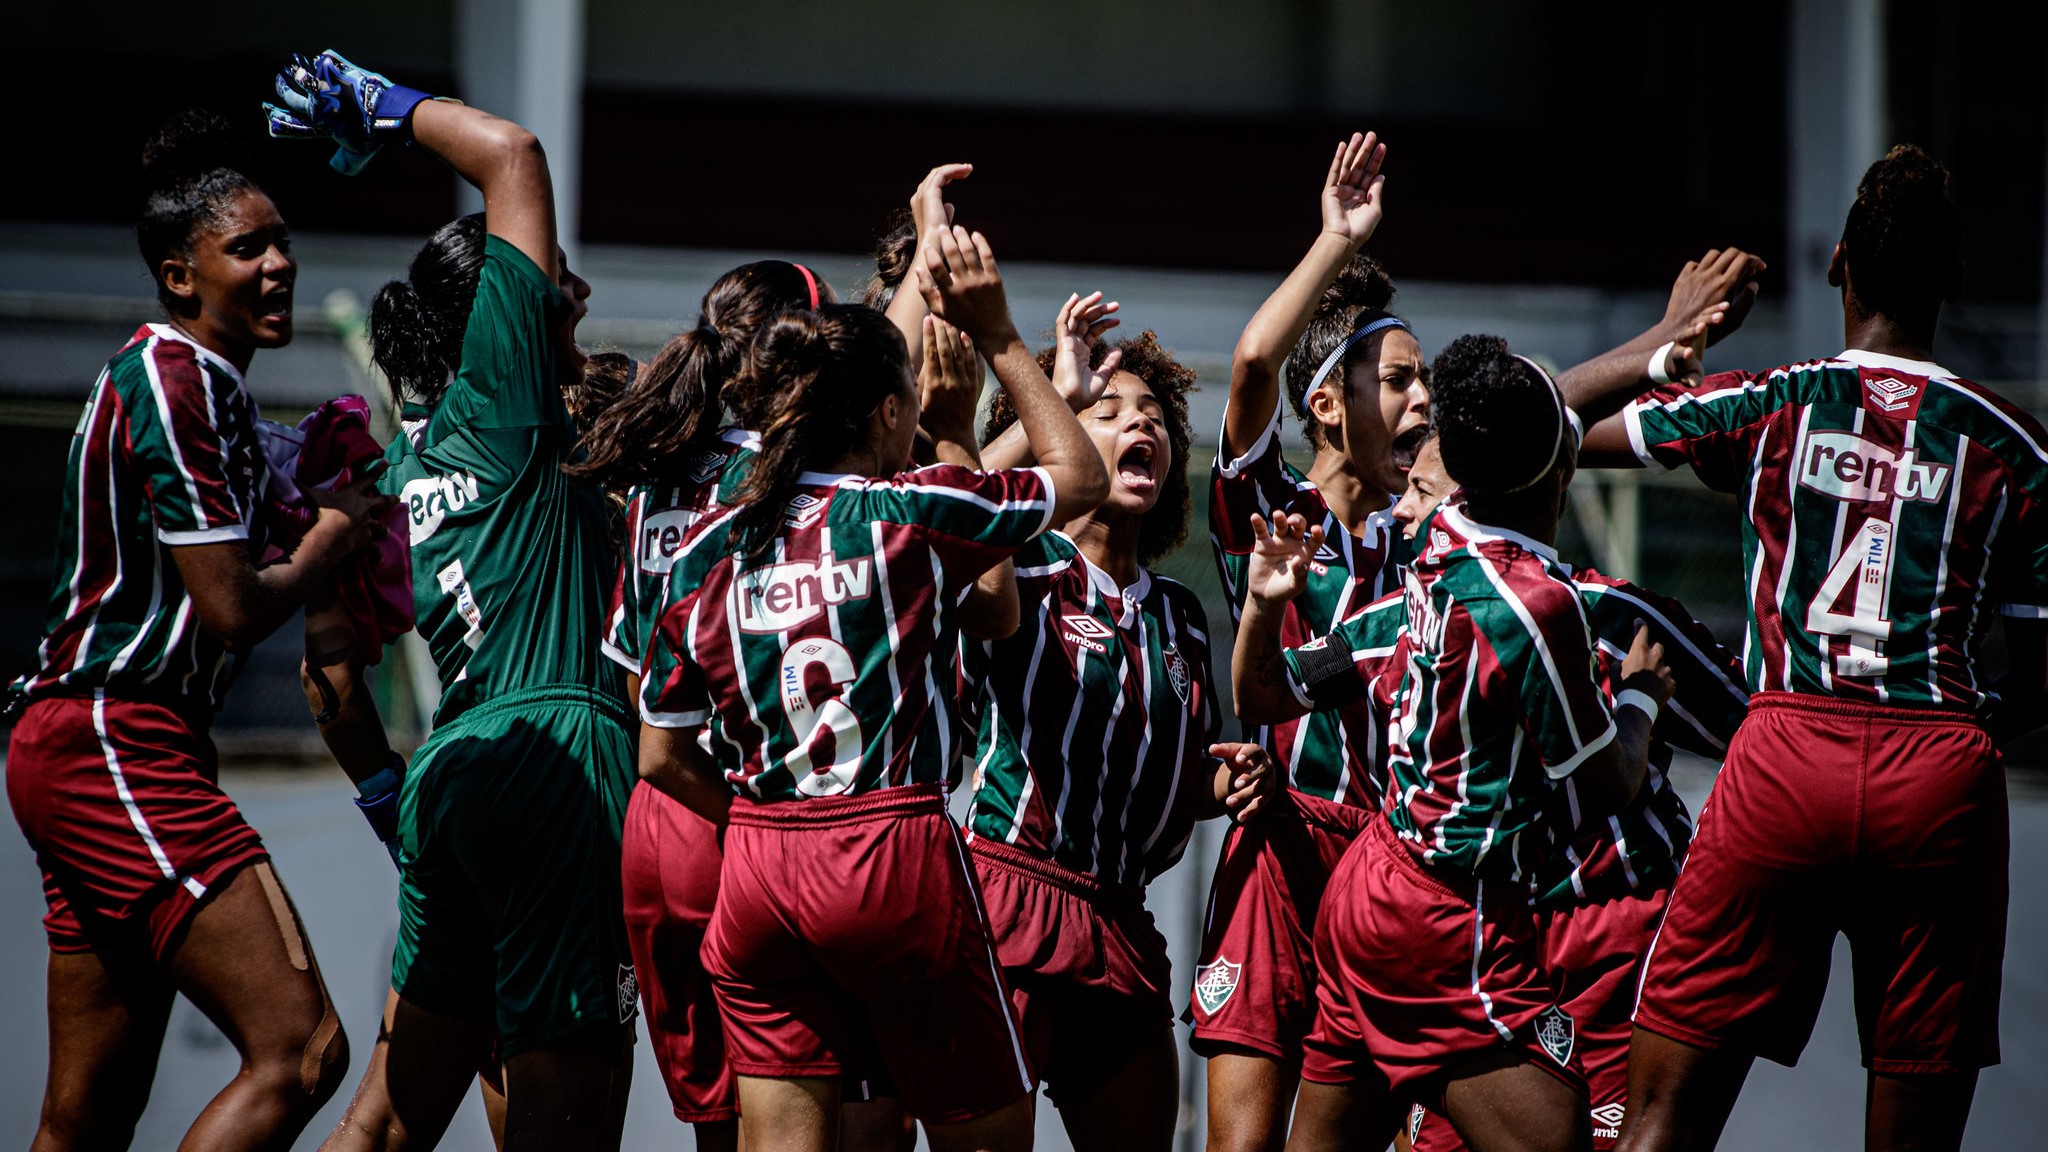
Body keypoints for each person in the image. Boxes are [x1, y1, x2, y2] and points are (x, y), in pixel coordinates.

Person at [1577, 147, 2048, 1152]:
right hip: (1938, 769)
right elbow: (2041, 676)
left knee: (1656, 1121)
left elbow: (1539, 428)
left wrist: (1668, 337)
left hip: (1786, 753)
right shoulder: (2015, 449)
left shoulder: (1768, 400)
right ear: (1950, 282)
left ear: (1838, 263)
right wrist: (1966, 744)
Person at [636, 222, 1110, 1152]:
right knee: (987, 1138)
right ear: (891, 415)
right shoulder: (909, 508)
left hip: (760, 862)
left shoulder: (704, 547)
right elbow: (1078, 473)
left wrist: (769, 832)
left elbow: (659, 751)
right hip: (893, 847)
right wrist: (1003, 336)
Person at [266, 50, 638, 1150]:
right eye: (551, 273)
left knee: (383, 1125)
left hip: (450, 778)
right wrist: (384, 106)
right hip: (558, 762)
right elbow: (514, 153)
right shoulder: (505, 394)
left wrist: (390, 800)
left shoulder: (396, 470)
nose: (571, 289)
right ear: (501, 316)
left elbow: (329, 675)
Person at [3, 107, 389, 1151]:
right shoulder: (173, 378)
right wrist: (334, 538)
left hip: (98, 743)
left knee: (84, 1114)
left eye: (282, 241)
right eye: (246, 248)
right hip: (113, 739)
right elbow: (230, 604)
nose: (279, 266)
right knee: (303, 1048)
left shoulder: (201, 387)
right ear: (180, 274)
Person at [1256, 434, 1749, 1152]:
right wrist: (1260, 611)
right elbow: (1270, 688)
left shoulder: (1610, 618)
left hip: (1606, 925)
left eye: (1419, 494)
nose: (1398, 515)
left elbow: (1756, 730)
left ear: (1475, 502)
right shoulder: (1401, 616)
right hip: (1466, 923)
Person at [961, 296, 1277, 1150]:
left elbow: (1181, 769)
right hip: (1010, 897)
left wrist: (1226, 778)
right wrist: (1047, 397)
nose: (1141, 424)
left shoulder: (1177, 612)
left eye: (1154, 416)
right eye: (1106, 413)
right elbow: (951, 517)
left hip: (1119, 919)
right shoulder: (1021, 563)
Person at [1192, 130, 1428, 1152]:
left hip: (1382, 868)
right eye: (1399, 380)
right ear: (1328, 401)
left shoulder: (1429, 547)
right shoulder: (1269, 510)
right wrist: (1333, 242)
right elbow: (1251, 361)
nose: (1422, 400)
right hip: (1277, 851)